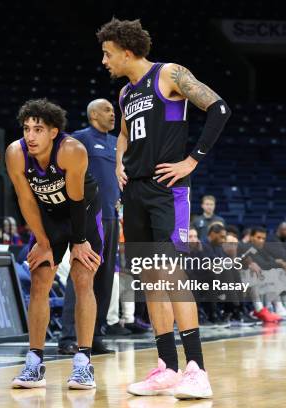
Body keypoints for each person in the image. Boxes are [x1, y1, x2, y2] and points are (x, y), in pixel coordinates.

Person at [98, 18, 231, 399]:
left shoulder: (169, 74)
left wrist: (193, 160)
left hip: (167, 190)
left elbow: (219, 109)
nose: (104, 61)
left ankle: (197, 370)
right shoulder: (125, 95)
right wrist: (120, 161)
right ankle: (167, 368)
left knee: (172, 276)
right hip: (135, 193)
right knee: (152, 279)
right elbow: (123, 134)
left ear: (126, 51)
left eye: (107, 54)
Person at [6, 99, 103, 390]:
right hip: (47, 219)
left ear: (54, 132)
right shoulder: (15, 153)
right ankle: (34, 362)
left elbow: (76, 201)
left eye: (39, 129)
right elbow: (26, 200)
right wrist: (44, 242)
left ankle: (83, 362)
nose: (31, 136)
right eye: (26, 129)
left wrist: (80, 242)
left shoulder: (71, 150)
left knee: (82, 278)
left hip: (82, 215)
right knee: (39, 280)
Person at [59, 98, 120, 354]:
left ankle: (95, 334)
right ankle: (68, 337)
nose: (113, 114)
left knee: (105, 278)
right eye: (107, 110)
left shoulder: (117, 142)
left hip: (112, 218)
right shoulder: (79, 138)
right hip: (89, 217)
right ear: (93, 114)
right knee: (81, 277)